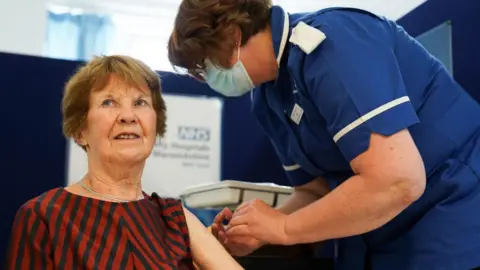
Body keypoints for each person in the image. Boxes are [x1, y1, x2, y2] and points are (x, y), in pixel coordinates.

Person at [167, 0, 480, 269]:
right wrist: (259, 230)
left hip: (448, 212)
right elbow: (315, 192)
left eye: (202, 66)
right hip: (375, 231)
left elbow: (397, 181)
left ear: (234, 37)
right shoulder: (266, 99)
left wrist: (284, 227)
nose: (205, 78)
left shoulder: (334, 44)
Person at [5, 55, 243, 270]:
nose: (128, 116)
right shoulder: (44, 216)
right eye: (109, 102)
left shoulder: (173, 217)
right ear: (80, 131)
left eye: (140, 103)